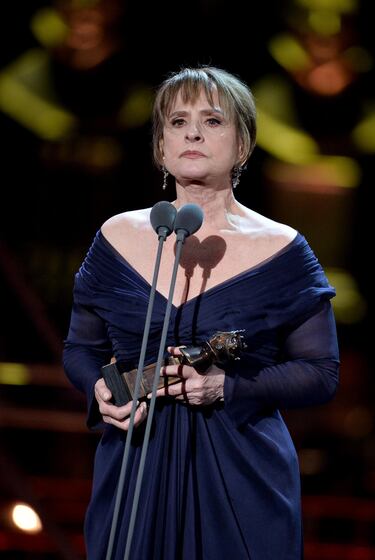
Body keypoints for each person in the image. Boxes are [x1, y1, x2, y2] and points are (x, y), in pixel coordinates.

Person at [63, 66, 340, 559]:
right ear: (161, 146)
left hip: (241, 468)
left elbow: (320, 372)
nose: (192, 132)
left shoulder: (284, 249)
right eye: (177, 121)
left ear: (243, 146)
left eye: (213, 121)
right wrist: (99, 390)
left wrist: (227, 388)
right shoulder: (114, 237)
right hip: (135, 462)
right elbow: (81, 349)